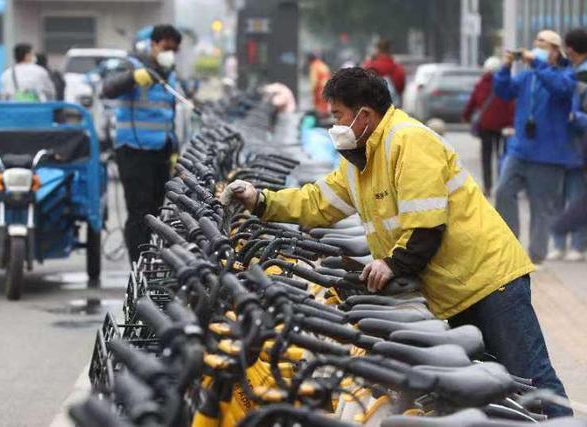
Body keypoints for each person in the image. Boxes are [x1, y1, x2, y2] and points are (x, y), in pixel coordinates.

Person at [222, 67, 571, 418]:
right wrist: (260, 200)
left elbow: (426, 227)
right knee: (491, 393)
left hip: (488, 279)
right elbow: (317, 202)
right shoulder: (360, 160)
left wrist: (391, 265)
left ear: (364, 115)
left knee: (533, 382)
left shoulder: (408, 141)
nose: (334, 126)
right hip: (452, 287)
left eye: (338, 116)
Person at [493, 30, 580, 264]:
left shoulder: (566, 75)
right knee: (503, 192)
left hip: (548, 154)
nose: (538, 48)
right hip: (520, 149)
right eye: (536, 44)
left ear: (556, 51)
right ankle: (510, 246)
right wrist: (505, 67)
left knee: (541, 207)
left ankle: (536, 256)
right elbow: (503, 91)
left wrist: (537, 64)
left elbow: (561, 89)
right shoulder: (527, 76)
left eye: (544, 45)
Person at [102, 24, 181, 263]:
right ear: (153, 44)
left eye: (174, 49)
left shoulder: (169, 73)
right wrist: (133, 78)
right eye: (166, 47)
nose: (169, 53)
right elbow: (108, 88)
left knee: (156, 212)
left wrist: (174, 149)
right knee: (139, 211)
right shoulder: (132, 65)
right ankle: (138, 266)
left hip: (161, 151)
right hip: (134, 150)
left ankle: (149, 261)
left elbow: (169, 115)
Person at [550, 28, 587, 260]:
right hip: (561, 144)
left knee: (576, 196)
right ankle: (560, 244)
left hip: (577, 145)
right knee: (559, 196)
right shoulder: (567, 71)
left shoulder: (581, 76)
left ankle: (577, 245)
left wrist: (575, 117)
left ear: (570, 48)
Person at [463, 56, 515, 196]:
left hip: (486, 126)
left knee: (486, 157)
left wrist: (466, 116)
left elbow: (472, 102)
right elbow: (512, 105)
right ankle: (502, 185)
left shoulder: (481, 84)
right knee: (502, 157)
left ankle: (487, 186)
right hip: (504, 126)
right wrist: (512, 123)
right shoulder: (506, 84)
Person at [307, 52, 331, 118]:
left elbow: (314, 81)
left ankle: (320, 120)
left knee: (319, 109)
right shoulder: (323, 65)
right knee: (325, 107)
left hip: (319, 90)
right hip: (327, 88)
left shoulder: (314, 66)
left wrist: (312, 91)